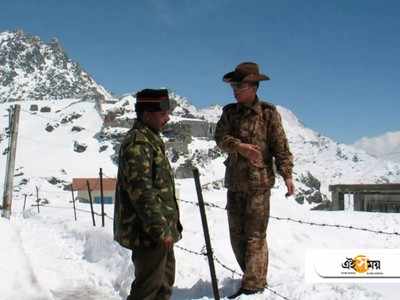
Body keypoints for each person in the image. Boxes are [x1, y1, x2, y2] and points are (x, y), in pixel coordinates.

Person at [214, 62, 295, 298]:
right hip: (235, 184)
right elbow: (220, 137)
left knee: (255, 236)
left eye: (239, 85)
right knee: (236, 236)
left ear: (253, 86)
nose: (235, 90)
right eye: (233, 86)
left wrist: (287, 174)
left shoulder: (268, 114)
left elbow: (281, 147)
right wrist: (239, 147)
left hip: (259, 185)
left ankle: (253, 286)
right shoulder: (229, 113)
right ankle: (251, 275)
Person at [113, 88, 183, 300]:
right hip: (149, 233)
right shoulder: (139, 142)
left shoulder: (150, 138)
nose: (167, 118)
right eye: (162, 114)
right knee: (148, 290)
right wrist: (160, 229)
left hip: (158, 232)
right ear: (146, 115)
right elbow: (141, 191)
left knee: (163, 286)